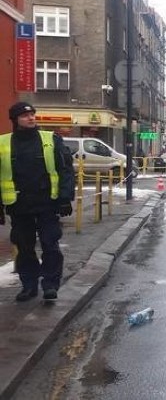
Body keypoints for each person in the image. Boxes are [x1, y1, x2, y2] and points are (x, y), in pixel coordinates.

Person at [0, 102, 75, 301]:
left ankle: (50, 285)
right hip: (19, 204)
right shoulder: (3, 143)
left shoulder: (51, 139)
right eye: (25, 115)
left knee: (50, 244)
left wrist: (65, 198)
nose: (31, 118)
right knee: (24, 248)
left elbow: (65, 170)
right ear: (15, 120)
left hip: (47, 203)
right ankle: (29, 286)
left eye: (32, 114)